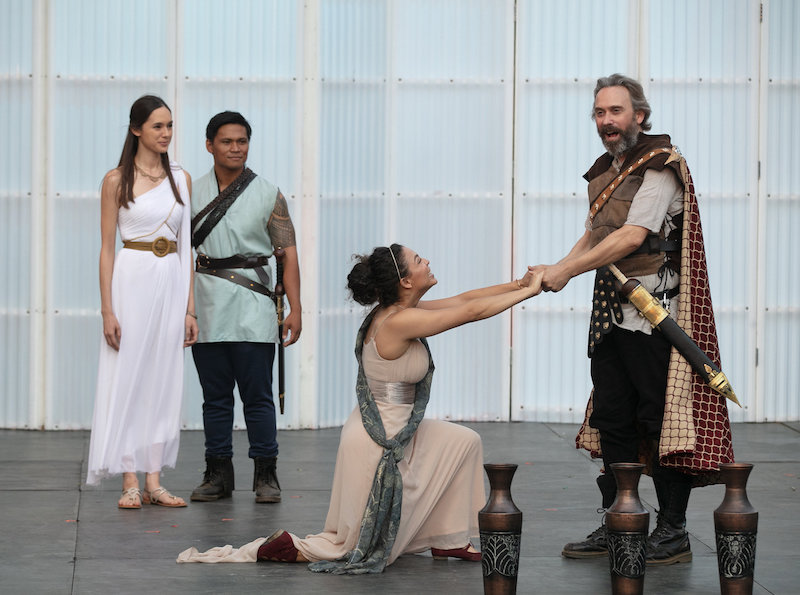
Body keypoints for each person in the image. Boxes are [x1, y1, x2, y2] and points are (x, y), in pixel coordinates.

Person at [177, 244, 543, 572]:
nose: (427, 260)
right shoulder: (398, 321)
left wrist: (517, 284)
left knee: (464, 442)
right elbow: (473, 312)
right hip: (378, 436)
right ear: (405, 282)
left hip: (399, 424)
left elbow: (466, 299)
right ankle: (292, 548)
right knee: (349, 546)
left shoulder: (401, 310)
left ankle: (448, 540)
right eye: (418, 260)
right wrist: (532, 290)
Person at [532, 74, 733, 565]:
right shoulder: (605, 169)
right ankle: (619, 520)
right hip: (611, 315)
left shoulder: (661, 166)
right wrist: (553, 269)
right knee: (613, 418)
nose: (606, 121)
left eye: (616, 111)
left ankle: (673, 530)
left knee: (658, 419)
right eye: (599, 113)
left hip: (652, 316)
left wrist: (565, 272)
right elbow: (595, 235)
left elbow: (630, 237)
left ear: (639, 115)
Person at [87, 95, 197, 509]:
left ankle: (155, 479)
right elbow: (106, 249)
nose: (166, 133)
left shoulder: (181, 179)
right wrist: (107, 310)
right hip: (131, 278)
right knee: (128, 373)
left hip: (170, 278)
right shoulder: (116, 180)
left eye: (169, 126)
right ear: (136, 130)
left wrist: (190, 309)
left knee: (163, 378)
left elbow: (186, 247)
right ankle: (129, 478)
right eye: (157, 126)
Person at [189, 111, 301, 504]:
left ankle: (266, 475)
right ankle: (217, 474)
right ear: (209, 145)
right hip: (206, 302)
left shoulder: (269, 193)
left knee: (258, 396)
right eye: (226, 141)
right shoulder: (190, 191)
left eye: (242, 141)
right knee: (214, 397)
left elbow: (287, 253)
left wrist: (296, 307)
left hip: (254, 305)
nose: (236, 148)